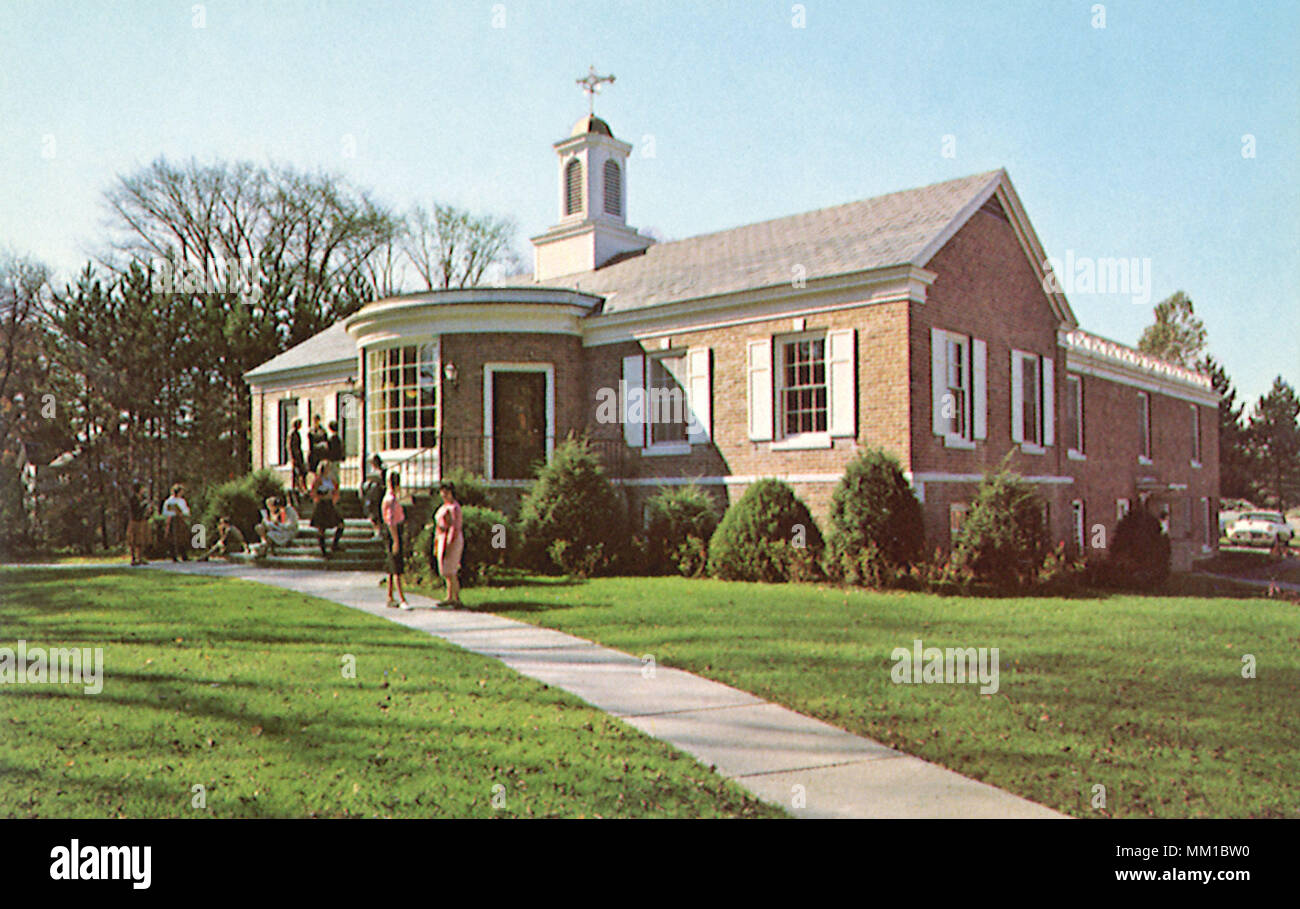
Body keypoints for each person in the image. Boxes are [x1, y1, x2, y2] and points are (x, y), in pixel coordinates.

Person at [432, 482, 464, 608]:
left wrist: (449, 544)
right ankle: (449, 596)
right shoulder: (443, 506)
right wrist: (436, 542)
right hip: (441, 537)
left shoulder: (454, 507)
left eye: (446, 491)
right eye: (442, 491)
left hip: (451, 539)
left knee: (450, 569)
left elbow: (454, 528)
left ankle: (455, 598)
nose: (444, 494)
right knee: (444, 569)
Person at [382, 472, 409, 609]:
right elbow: (391, 521)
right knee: (397, 566)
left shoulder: (389, 498)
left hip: (392, 531)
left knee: (391, 567)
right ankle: (401, 598)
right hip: (394, 532)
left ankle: (390, 596)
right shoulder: (391, 500)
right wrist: (396, 540)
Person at [310, 460, 345, 557]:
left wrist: (334, 497)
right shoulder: (318, 480)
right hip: (322, 504)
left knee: (340, 524)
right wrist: (322, 495)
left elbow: (336, 491)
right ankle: (323, 550)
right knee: (321, 528)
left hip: (329, 504)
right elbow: (313, 493)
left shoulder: (331, 480)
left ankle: (335, 544)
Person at [161, 483, 191, 562]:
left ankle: (184, 555)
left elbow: (186, 510)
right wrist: (173, 512)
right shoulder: (169, 501)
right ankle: (173, 556)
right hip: (172, 519)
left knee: (182, 537)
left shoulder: (182, 500)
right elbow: (165, 512)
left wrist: (183, 513)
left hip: (180, 519)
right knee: (172, 538)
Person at [125, 483, 153, 566]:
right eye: (142, 489)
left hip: (143, 521)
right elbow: (136, 509)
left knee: (142, 540)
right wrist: (144, 505)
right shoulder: (133, 499)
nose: (143, 490)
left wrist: (149, 511)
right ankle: (133, 558)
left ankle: (140, 557)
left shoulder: (143, 498)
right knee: (133, 540)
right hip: (135, 521)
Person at [361, 455, 386, 540]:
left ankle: (379, 532)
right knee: (371, 513)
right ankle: (376, 532)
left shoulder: (382, 471)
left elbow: (383, 482)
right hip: (370, 495)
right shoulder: (371, 471)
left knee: (377, 514)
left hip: (377, 495)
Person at [288, 417, 307, 503]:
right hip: (296, 458)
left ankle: (300, 488)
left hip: (298, 456)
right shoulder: (292, 434)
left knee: (301, 473)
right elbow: (290, 447)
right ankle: (297, 489)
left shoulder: (296, 433)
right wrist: (293, 458)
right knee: (298, 473)